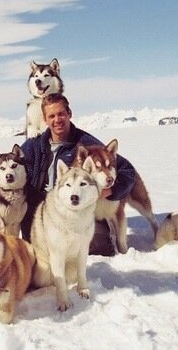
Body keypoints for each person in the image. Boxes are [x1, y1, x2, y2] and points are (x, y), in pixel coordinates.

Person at [20, 93, 136, 256]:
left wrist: (111, 191)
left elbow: (128, 171)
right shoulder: (34, 146)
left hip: (78, 210)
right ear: (45, 120)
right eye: (51, 116)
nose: (57, 120)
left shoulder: (86, 144)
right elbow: (11, 168)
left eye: (61, 114)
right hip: (42, 210)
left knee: (98, 246)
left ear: (69, 114)